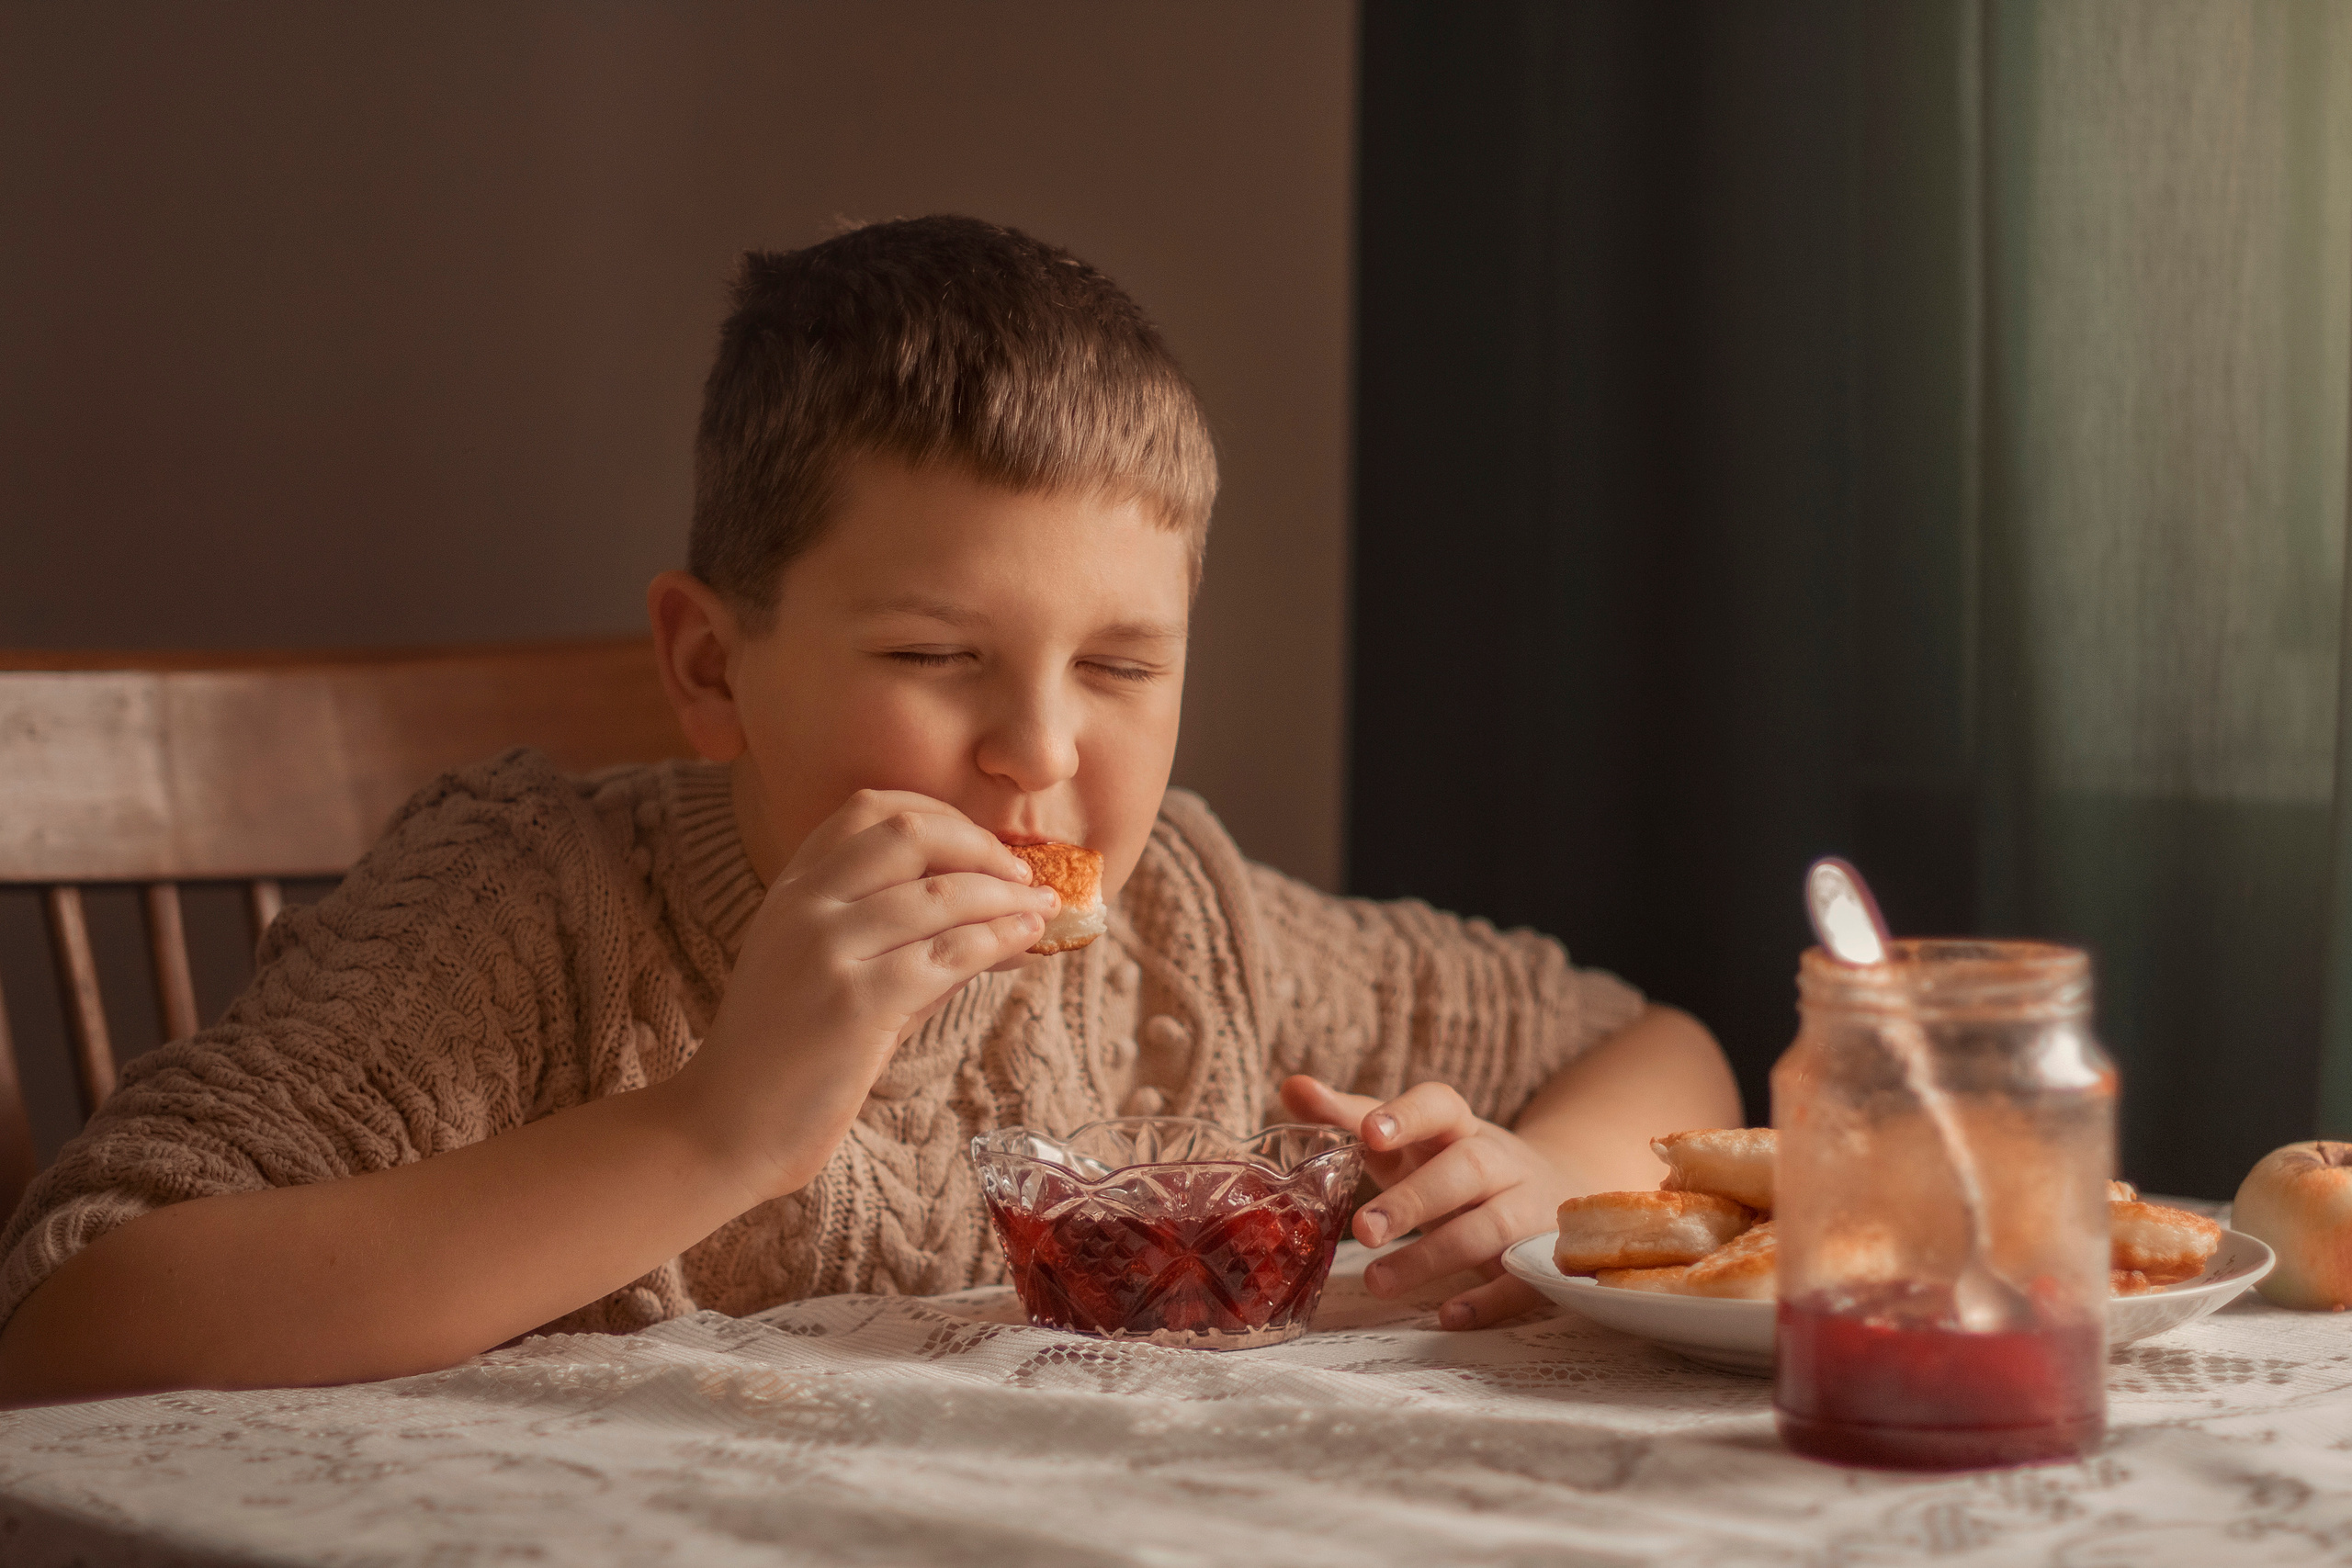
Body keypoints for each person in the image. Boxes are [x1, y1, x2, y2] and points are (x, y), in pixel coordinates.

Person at [0, 217, 1737, 1404]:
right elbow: (70, 1325)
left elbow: (1656, 1050)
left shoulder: (1179, 928)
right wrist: (716, 1126)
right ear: (708, 666)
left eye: (1123, 668)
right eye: (934, 652)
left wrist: (1544, 1195)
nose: (1039, 752)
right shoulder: (528, 908)